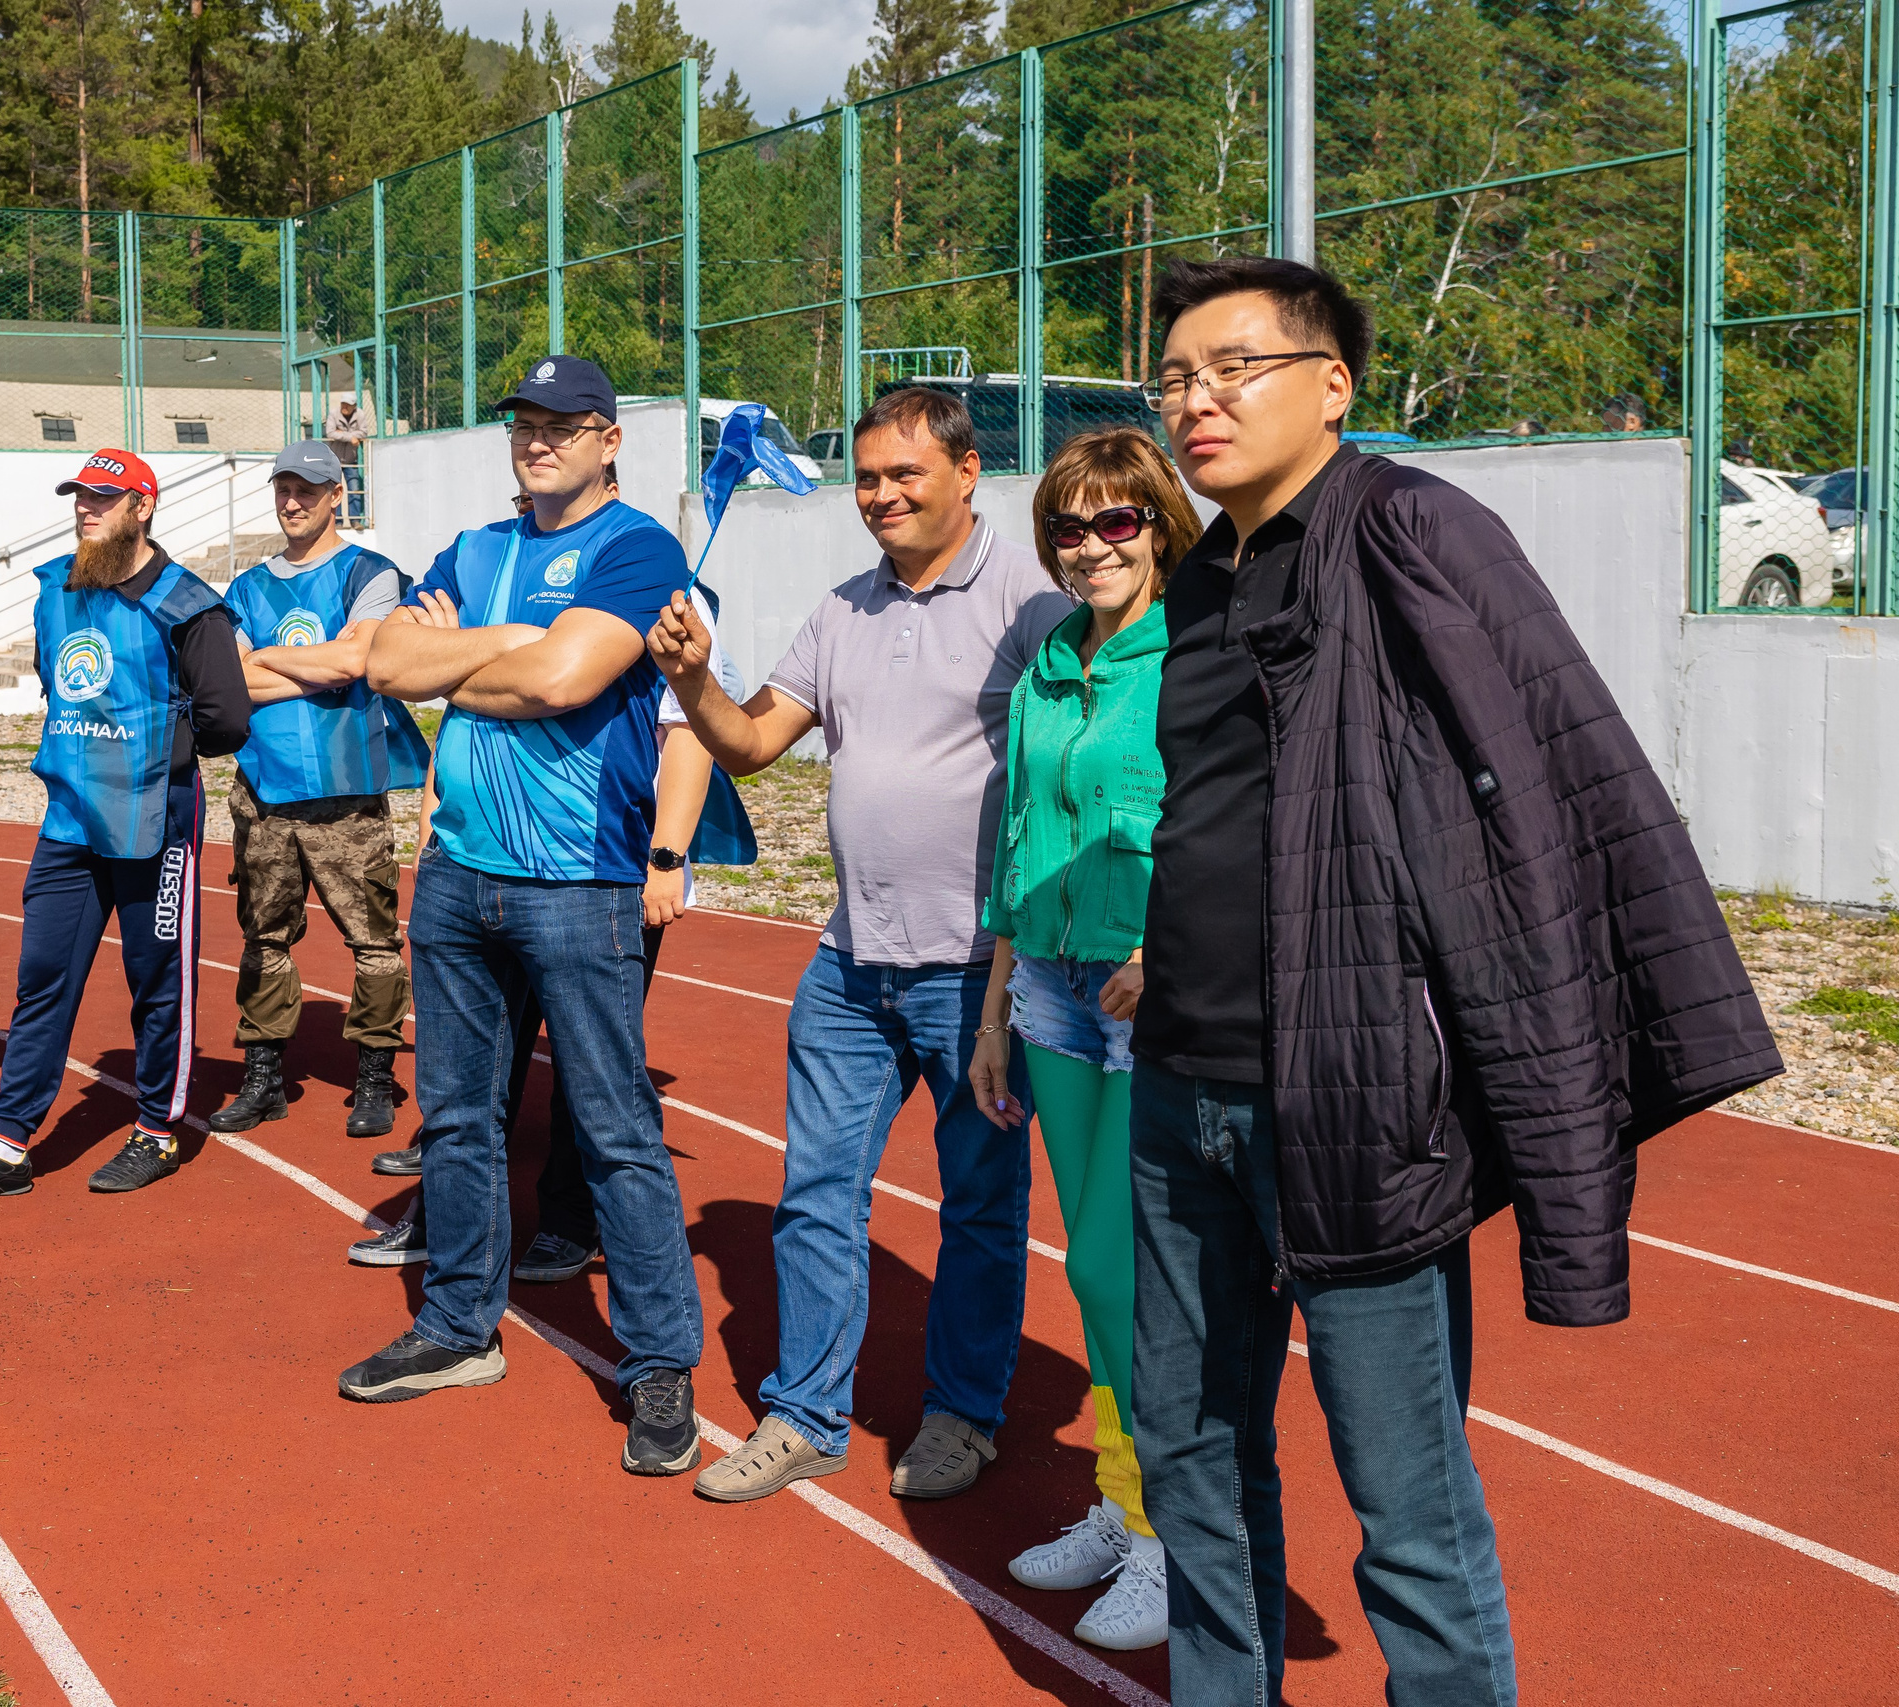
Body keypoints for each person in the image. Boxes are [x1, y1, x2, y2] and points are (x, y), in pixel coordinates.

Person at [1131, 255, 1778, 1705]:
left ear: (1334, 384)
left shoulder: (1413, 525)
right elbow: (1234, 805)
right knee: (1188, 1451)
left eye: (1236, 365)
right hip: (1180, 1089)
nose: (1198, 398)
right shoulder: (1195, 574)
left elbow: (1552, 776)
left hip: (1356, 1096)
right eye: (1176, 374)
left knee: (1404, 1504)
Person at [649, 386, 1070, 1506]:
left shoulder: (1036, 603)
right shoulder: (841, 609)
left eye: (903, 476)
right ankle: (805, 1415)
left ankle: (962, 1415)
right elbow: (746, 746)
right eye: (867, 479)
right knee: (815, 1196)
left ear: (968, 473)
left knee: (981, 1210)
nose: (879, 496)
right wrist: (692, 679)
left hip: (981, 977)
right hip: (848, 964)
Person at [334, 354, 708, 1481]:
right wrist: (505, 651)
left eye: (561, 423)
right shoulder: (475, 549)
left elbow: (564, 685)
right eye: (523, 422)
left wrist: (469, 658)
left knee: (613, 1131)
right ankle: (457, 1329)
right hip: (457, 875)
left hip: (581, 881)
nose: (536, 438)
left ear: (608, 438)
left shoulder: (636, 549)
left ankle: (658, 1365)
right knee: (455, 1117)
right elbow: (382, 660)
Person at [348, 573, 751, 1282]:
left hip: (605, 869)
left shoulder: (660, 590)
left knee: (589, 1075)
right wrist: (430, 825)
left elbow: (686, 734)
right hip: (485, 864)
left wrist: (665, 858)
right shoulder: (500, 577)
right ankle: (447, 1217)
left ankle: (570, 1218)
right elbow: (444, 702)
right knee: (479, 1071)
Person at [962, 426, 1192, 1651]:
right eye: (1070, 524)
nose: (1092, 545)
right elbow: (1016, 842)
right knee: (1089, 1264)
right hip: (1046, 985)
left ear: (1159, 526)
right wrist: (996, 1006)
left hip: (1149, 994)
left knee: (1119, 1269)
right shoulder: (1052, 655)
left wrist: (1170, 957)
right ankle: (1120, 1500)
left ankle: (1173, 1532)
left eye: (1118, 522)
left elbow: (1222, 828)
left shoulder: (1190, 651)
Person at [0, 449, 253, 1206]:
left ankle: (158, 1131)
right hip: (70, 817)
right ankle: (8, 1145)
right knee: (42, 978)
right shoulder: (55, 592)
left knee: (157, 978)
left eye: (103, 497)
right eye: (80, 496)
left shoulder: (188, 604)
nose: (85, 508)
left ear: (143, 507)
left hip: (155, 819)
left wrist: (157, 749)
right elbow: (54, 680)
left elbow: (227, 716)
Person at [211, 441, 430, 1139]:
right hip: (265, 794)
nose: (292, 500)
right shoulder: (246, 587)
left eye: (308, 488)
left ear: (339, 494)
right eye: (283, 487)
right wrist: (319, 667)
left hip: (348, 792)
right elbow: (233, 681)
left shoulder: (370, 573)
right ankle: (265, 1076)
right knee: (262, 939)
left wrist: (272, 660)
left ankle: (375, 1076)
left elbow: (358, 658)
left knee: (373, 942)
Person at [325, 395, 370, 524]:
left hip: (351, 459)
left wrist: (341, 434)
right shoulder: (334, 413)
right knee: (334, 491)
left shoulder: (360, 414)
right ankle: (337, 521)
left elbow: (364, 432)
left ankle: (355, 520)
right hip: (335, 459)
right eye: (343, 403)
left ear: (354, 406)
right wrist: (350, 437)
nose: (344, 407)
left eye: (348, 404)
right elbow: (330, 433)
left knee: (354, 489)